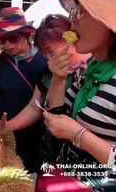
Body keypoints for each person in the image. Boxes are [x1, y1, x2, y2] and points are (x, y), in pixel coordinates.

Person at [37, 0, 116, 191]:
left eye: (82, 10)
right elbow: (57, 115)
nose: (72, 18)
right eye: (74, 9)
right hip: (71, 181)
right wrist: (58, 78)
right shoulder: (90, 71)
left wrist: (80, 135)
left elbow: (72, 131)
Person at [6, 14, 92, 166]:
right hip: (51, 152)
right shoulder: (47, 73)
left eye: (50, 51)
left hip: (85, 159)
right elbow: (34, 107)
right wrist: (9, 126)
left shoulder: (94, 71)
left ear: (72, 41)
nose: (46, 57)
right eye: (43, 52)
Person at [0, 7, 47, 174]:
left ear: (26, 35)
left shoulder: (45, 60)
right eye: (2, 39)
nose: (7, 44)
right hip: (6, 139)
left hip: (39, 138)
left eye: (12, 38)